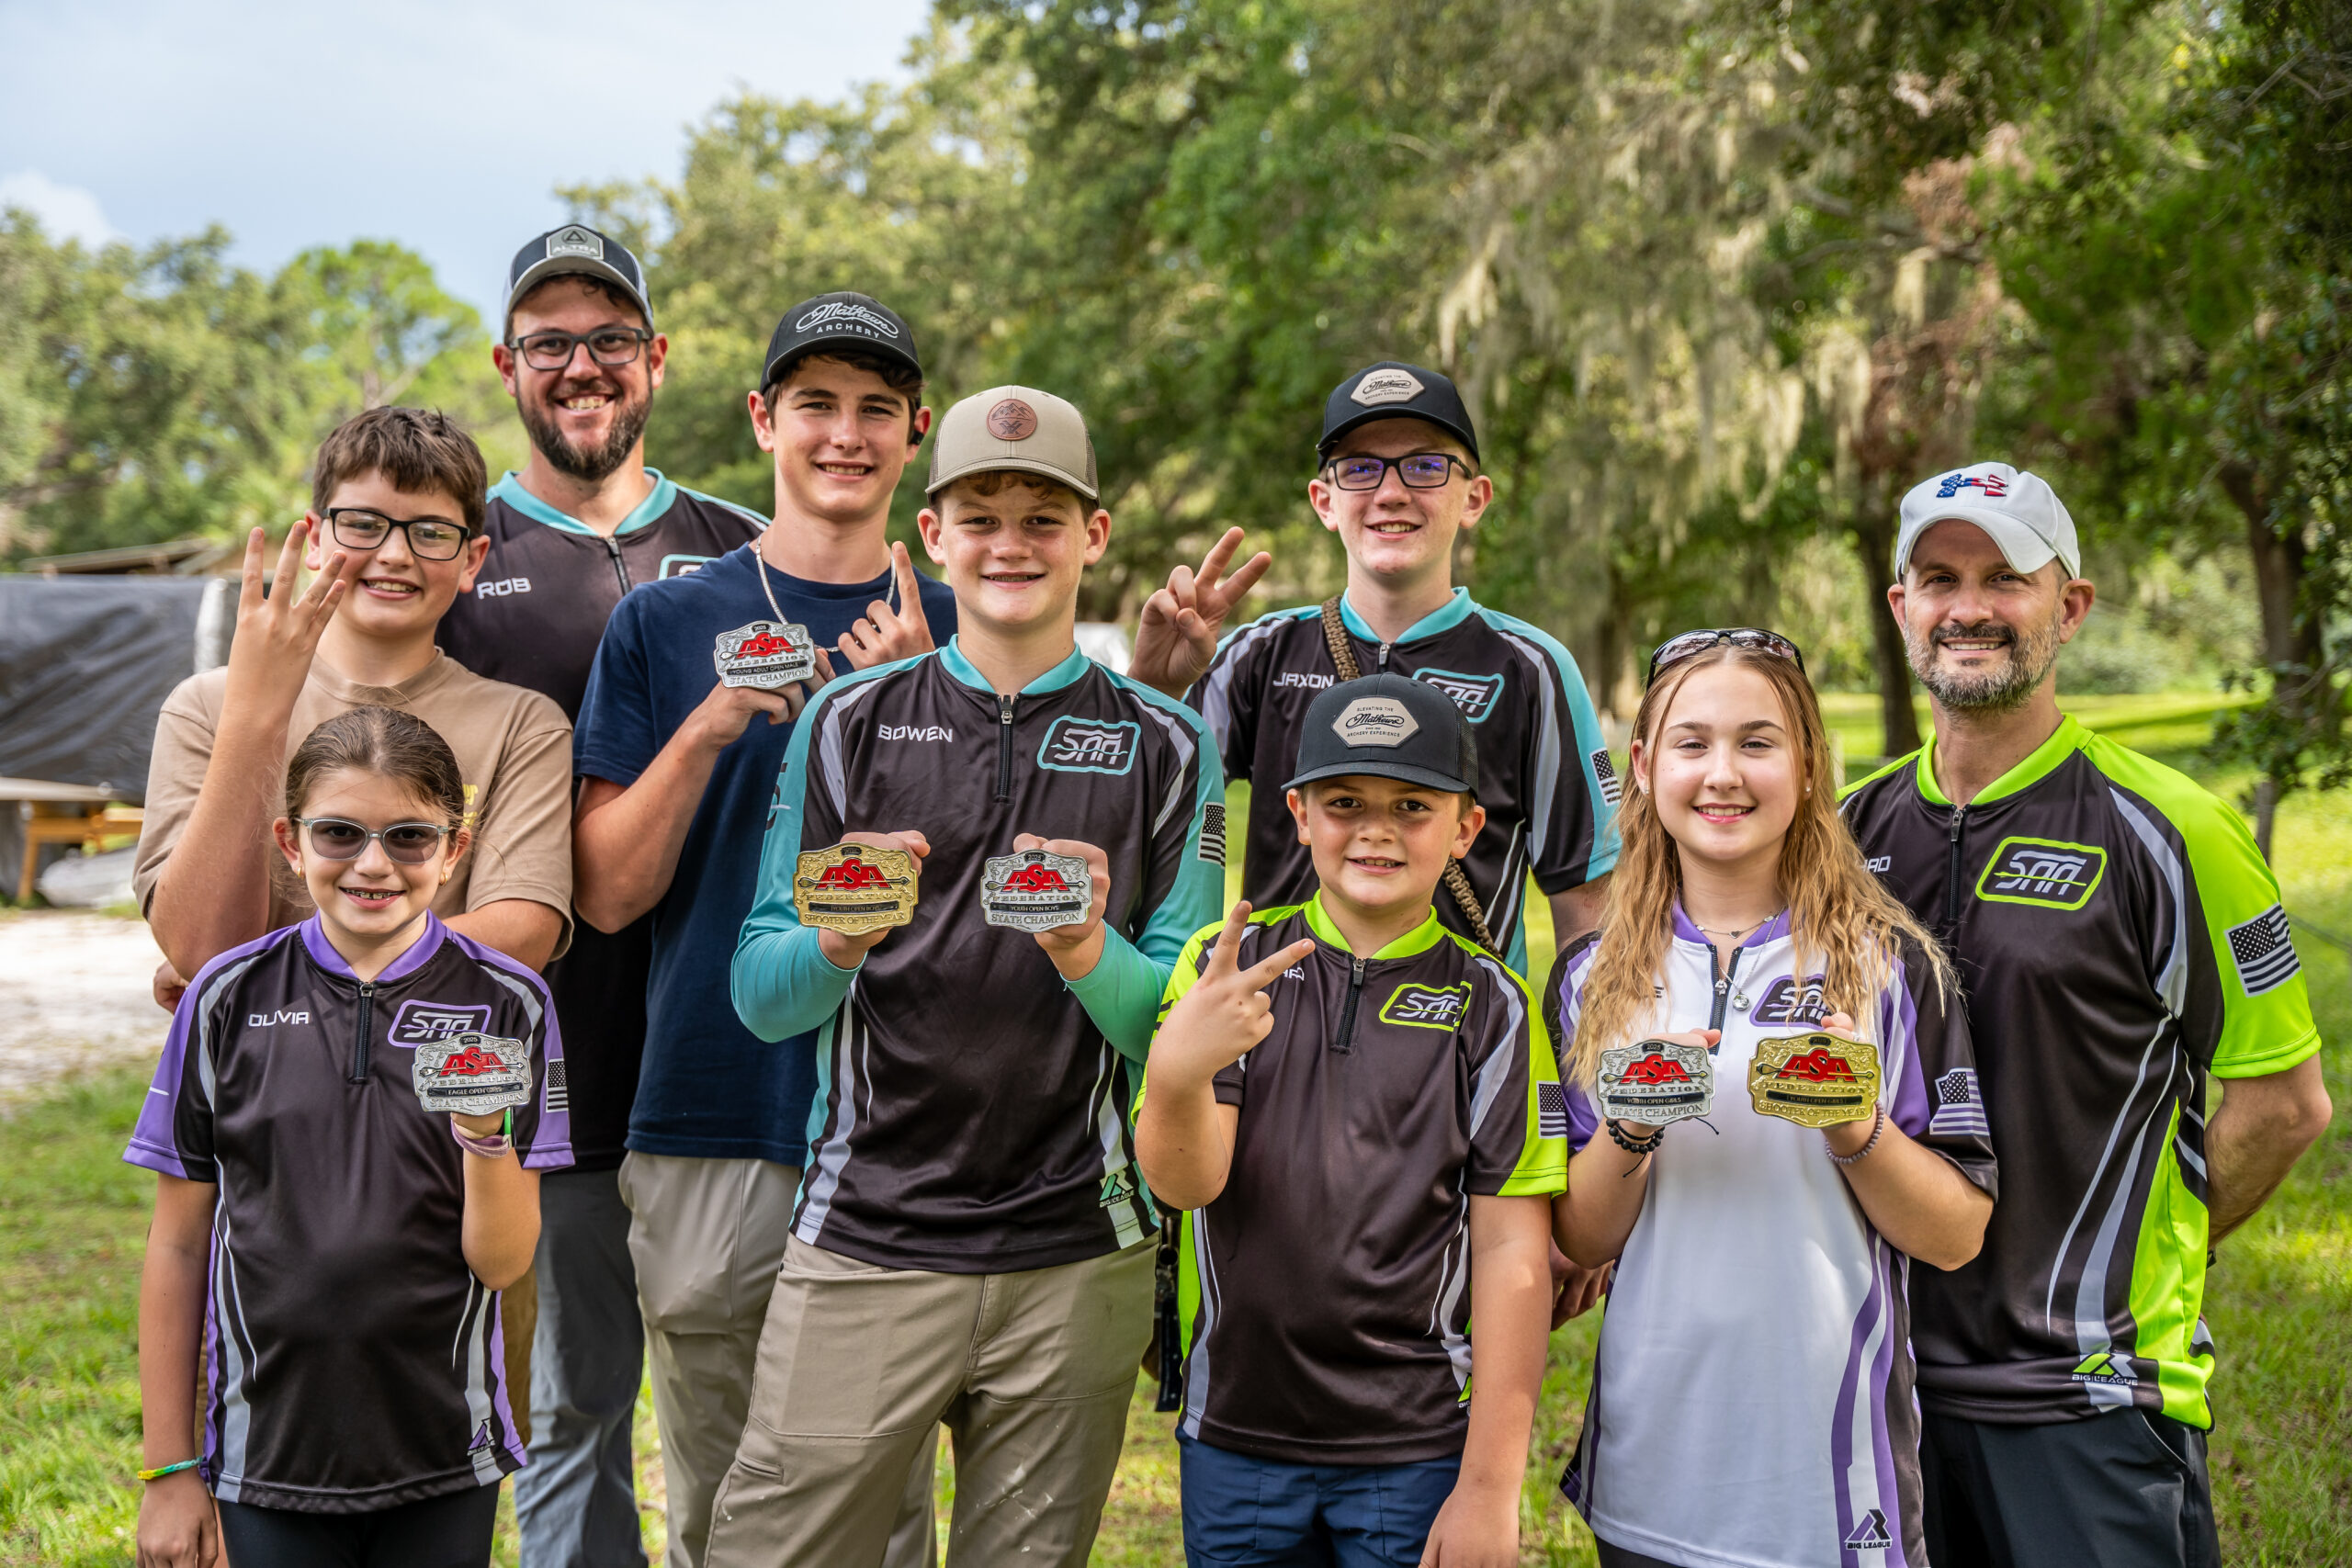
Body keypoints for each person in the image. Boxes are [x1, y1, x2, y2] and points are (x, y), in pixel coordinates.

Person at [716, 386, 1226, 1567]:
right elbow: (759, 991)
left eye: (1044, 517)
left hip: (1074, 1252)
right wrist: (840, 938)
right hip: (864, 1240)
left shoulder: (1167, 742)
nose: (1011, 543)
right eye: (980, 515)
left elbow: (1168, 1027)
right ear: (931, 536)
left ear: (1093, 537)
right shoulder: (845, 720)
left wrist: (1081, 945)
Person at [1841, 463, 2333, 1568]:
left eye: (2003, 578)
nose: (1968, 606)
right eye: (1937, 578)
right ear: (1901, 608)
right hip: (1881, 1390)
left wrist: (2144, 1262)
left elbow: (2286, 1102)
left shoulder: (2172, 830)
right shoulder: (1843, 833)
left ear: (2069, 607)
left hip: (2086, 1401)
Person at [570, 293, 954, 1568]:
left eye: (874, 411)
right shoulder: (667, 623)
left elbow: (1003, 889)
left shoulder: (968, 626)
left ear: (915, 435)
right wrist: (716, 718)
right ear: (762, 419)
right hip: (711, 1111)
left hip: (906, 1124)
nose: (843, 435)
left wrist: (903, 710)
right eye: (815, 405)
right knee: (722, 1518)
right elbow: (612, 893)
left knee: (880, 1517)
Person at [132, 405, 576, 1447]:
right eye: (363, 522)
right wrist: (259, 709)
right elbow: (200, 948)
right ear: (314, 532)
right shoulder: (206, 709)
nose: (393, 554)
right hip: (265, 1165)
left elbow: (515, 937)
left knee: (442, 1472)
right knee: (255, 1467)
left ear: (470, 560)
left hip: (454, 1161)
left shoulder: (519, 723)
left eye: (428, 532)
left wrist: (277, 963)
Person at [436, 224, 766, 1568]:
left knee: (732, 1402)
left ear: (657, 360)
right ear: (508, 362)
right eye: (553, 341)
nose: (584, 365)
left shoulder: (742, 545)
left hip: (721, 1043)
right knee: (568, 1398)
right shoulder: (458, 553)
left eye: (610, 339)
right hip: (542, 1049)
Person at [1550, 628, 1998, 1568]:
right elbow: (1583, 1240)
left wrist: (1855, 1128)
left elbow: (1955, 1233)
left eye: (1756, 742)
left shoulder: (1885, 964)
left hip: (1831, 1489)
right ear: (1641, 765)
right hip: (1647, 1474)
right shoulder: (1593, 976)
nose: (1722, 774)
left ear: (1806, 765)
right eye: (1691, 743)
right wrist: (1629, 1127)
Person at [1137, 673, 1566, 1568]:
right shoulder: (1228, 969)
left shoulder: (1493, 1007)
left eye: (1411, 805)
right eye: (1344, 801)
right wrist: (1179, 1068)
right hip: (1236, 1435)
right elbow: (1186, 1182)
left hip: (1412, 1446)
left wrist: (1489, 1486)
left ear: (1465, 829)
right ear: (1296, 813)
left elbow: (1511, 1253)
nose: (1374, 828)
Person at [129, 705, 571, 1568]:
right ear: (291, 844)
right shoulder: (227, 996)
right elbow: (179, 1244)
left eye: (409, 836)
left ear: (456, 848)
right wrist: (170, 1467)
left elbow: (505, 1262)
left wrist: (483, 1138)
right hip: (264, 1455)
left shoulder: (510, 1004)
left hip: (444, 1453)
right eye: (340, 833)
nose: (374, 863)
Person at [1129, 361, 1619, 976]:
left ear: (1474, 497)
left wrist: (1568, 1061)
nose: (1391, 492)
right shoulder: (1257, 653)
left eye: (1425, 465)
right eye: (1360, 468)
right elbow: (1138, 814)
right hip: (1276, 1040)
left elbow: (1585, 908)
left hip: (1463, 1046)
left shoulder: (1532, 668)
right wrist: (1156, 688)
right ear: (1324, 501)